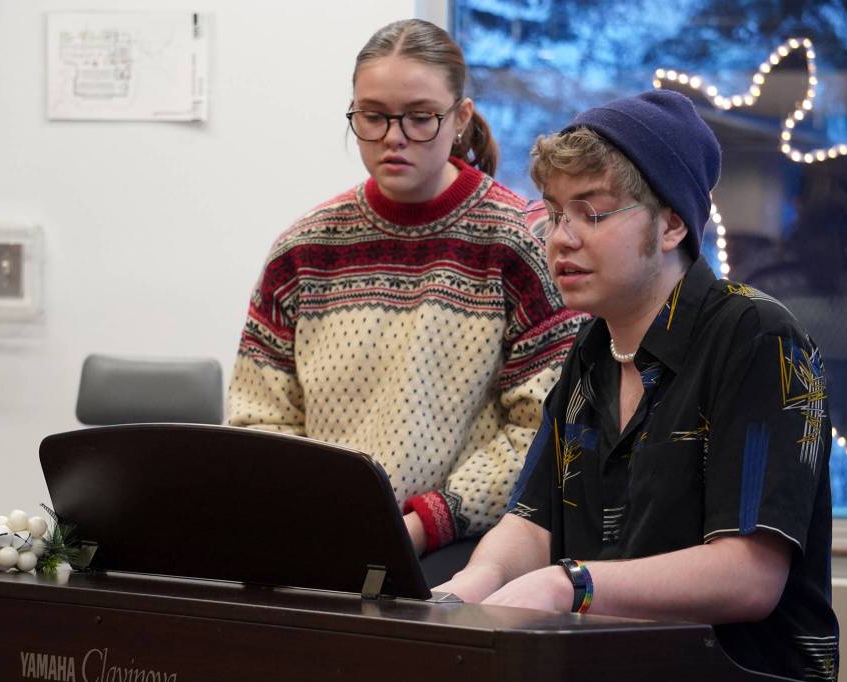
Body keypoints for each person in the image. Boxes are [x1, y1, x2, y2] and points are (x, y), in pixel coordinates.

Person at [437, 90, 839, 681]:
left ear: (671, 223)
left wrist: (569, 585)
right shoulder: (590, 350)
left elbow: (749, 576)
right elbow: (531, 522)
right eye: (556, 213)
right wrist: (465, 589)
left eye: (592, 213)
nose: (561, 238)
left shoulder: (756, 336)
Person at [227, 19, 586, 574]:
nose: (394, 137)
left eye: (420, 117)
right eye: (373, 116)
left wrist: (424, 523)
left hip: (468, 550)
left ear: (460, 118)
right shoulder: (304, 250)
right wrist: (312, 513)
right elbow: (260, 417)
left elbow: (543, 429)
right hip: (321, 539)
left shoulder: (519, 243)